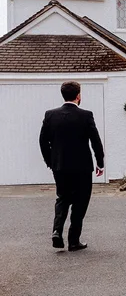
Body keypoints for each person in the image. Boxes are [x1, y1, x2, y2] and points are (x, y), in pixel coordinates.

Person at [39, 81, 104, 252]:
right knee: (80, 202)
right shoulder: (86, 115)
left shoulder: (50, 115)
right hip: (82, 166)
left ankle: (56, 231)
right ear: (78, 96)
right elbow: (95, 141)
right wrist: (100, 163)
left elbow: (43, 141)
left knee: (62, 198)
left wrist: (50, 161)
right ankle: (74, 241)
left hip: (59, 166)